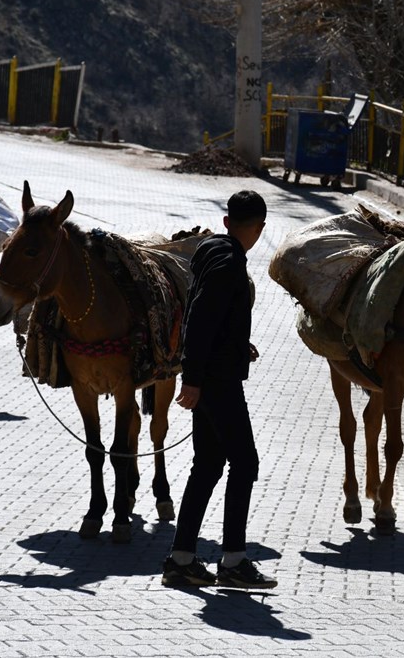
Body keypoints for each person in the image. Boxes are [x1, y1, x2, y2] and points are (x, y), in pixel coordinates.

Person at [161, 190, 276, 589]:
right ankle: (233, 562)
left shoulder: (211, 252)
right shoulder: (229, 264)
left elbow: (211, 317)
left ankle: (181, 560)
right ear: (260, 228)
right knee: (245, 463)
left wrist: (239, 344)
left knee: (209, 464)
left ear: (227, 222)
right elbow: (200, 320)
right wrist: (192, 379)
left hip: (212, 374)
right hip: (217, 381)